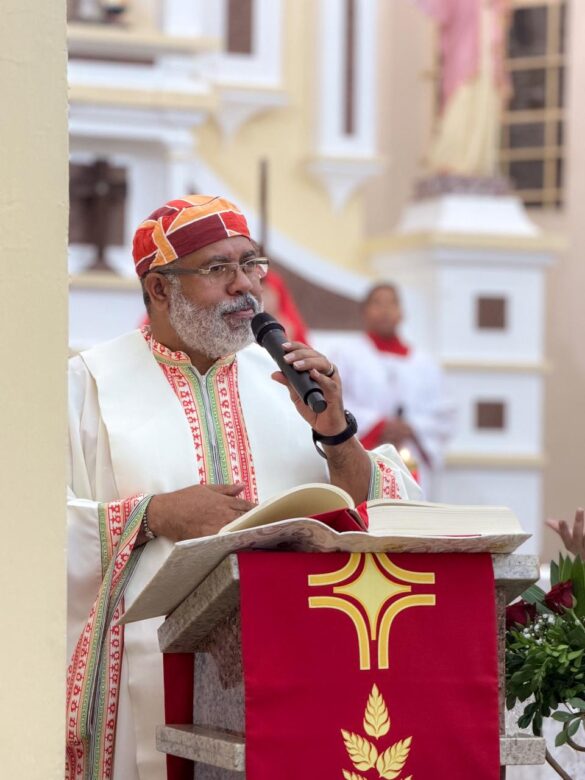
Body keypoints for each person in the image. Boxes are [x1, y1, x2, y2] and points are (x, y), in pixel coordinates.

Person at [66, 195, 421, 780]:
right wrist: (153, 515)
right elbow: (36, 529)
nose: (244, 287)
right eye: (217, 269)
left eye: (251, 264)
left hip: (293, 658)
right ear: (158, 289)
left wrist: (336, 432)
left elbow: (375, 510)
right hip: (150, 670)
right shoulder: (88, 386)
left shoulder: (290, 381)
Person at [321, 282, 452, 494]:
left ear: (401, 313)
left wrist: (412, 427)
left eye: (392, 303)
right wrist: (379, 425)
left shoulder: (425, 362)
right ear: (364, 312)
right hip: (366, 452)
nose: (385, 310)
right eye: (377, 303)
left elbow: (443, 414)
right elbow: (334, 400)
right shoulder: (345, 354)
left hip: (412, 453)